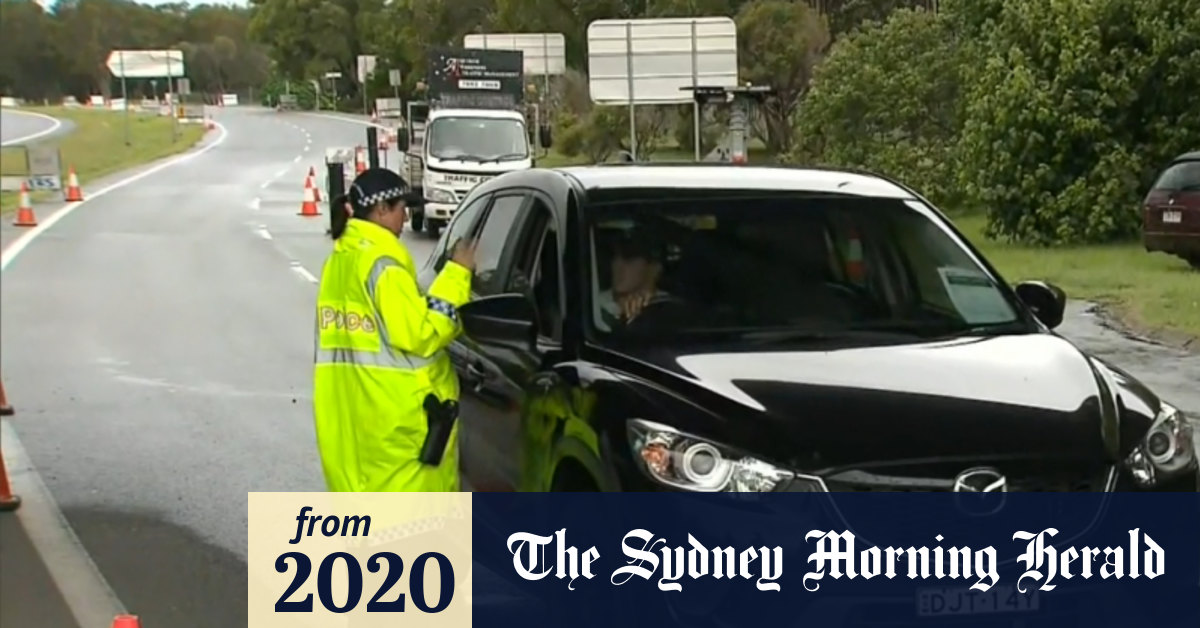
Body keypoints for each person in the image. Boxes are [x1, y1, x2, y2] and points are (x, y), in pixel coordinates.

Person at [313, 167, 478, 492]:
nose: (406, 219)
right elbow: (420, 334)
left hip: (355, 416)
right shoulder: (383, 265)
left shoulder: (342, 260)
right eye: (403, 209)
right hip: (397, 424)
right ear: (382, 210)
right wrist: (458, 274)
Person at [596, 228, 672, 329]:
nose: (617, 264)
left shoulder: (669, 308)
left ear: (654, 268)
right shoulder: (594, 305)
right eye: (614, 257)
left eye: (629, 258)